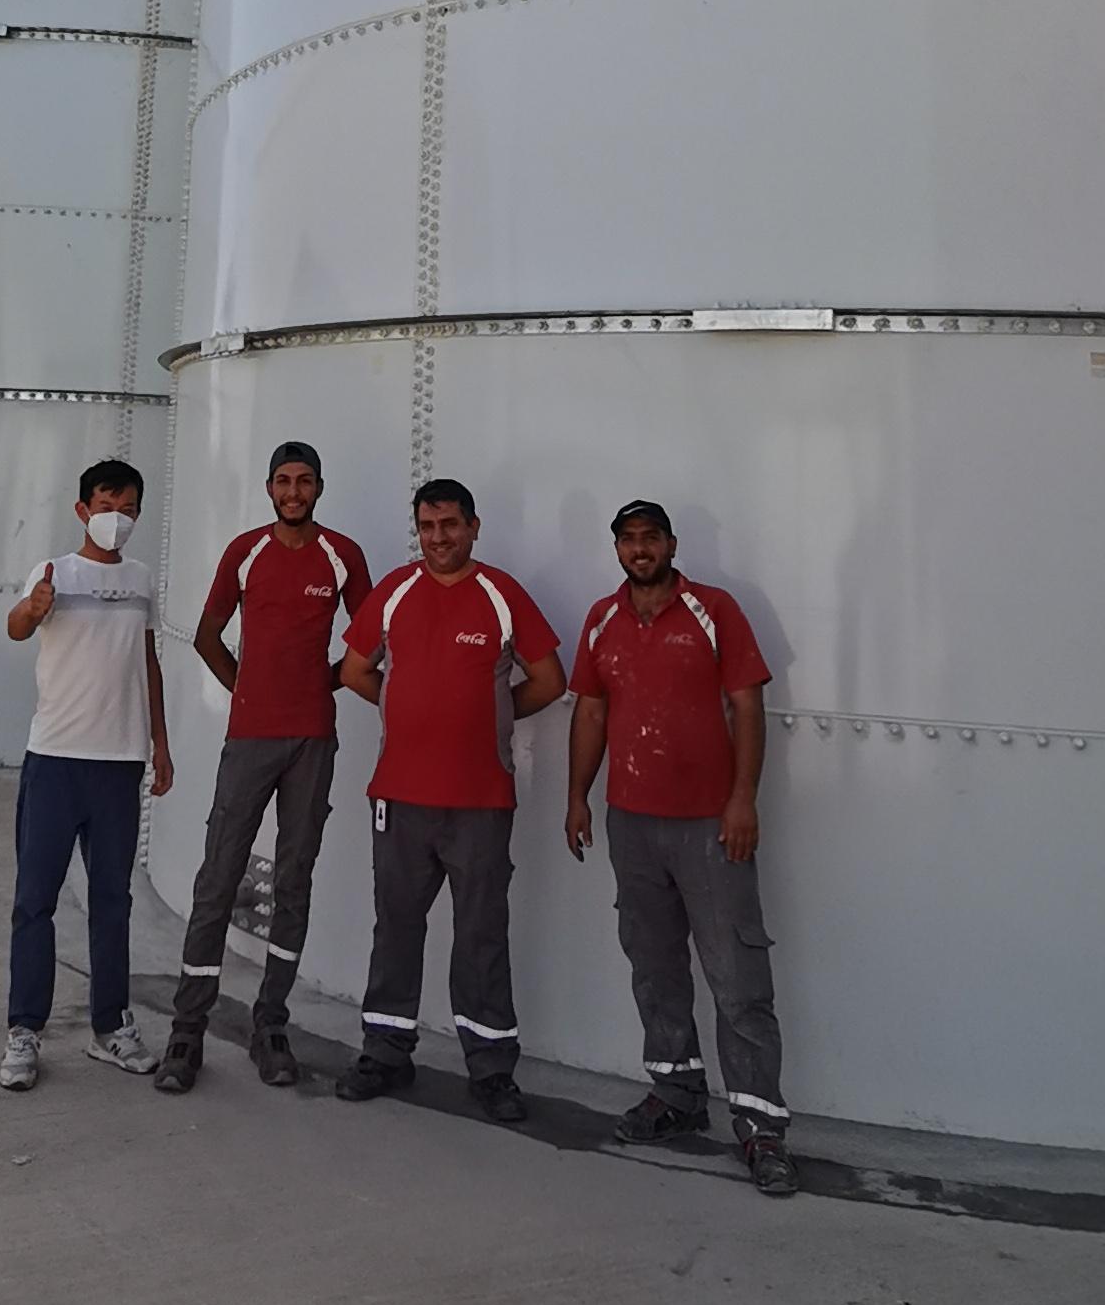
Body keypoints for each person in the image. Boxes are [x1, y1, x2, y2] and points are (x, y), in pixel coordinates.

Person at [565, 498, 796, 1196]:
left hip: (709, 827)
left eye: (651, 538)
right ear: (617, 549)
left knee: (737, 976)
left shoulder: (714, 610)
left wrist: (742, 800)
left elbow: (748, 706)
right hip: (632, 826)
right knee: (654, 966)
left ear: (670, 543)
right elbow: (592, 710)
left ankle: (760, 1127)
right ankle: (676, 1094)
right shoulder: (601, 619)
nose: (640, 550)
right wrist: (578, 796)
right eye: (628, 540)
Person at [332, 478, 564, 1123]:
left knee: (481, 934)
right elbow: (354, 671)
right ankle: (385, 1053)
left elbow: (550, 679)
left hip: (480, 800)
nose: (439, 538)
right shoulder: (395, 591)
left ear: (473, 527)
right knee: (396, 927)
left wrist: (491, 715)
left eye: (451, 525)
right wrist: (405, 707)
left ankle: (491, 1070)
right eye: (428, 526)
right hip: (399, 798)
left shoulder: (501, 594)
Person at [156, 441, 371, 1095]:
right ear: (269, 488)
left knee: (294, 879)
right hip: (250, 739)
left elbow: (371, 640)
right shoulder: (245, 551)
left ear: (319, 487)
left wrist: (325, 681)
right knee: (218, 876)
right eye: (283, 481)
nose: (293, 491)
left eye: (304, 481)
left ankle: (271, 1025)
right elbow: (206, 634)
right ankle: (187, 1030)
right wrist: (246, 689)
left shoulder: (342, 554)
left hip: (313, 741)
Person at [0, 458, 173, 1093]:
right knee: (34, 901)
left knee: (112, 901)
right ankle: (24, 1031)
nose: (116, 518)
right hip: (55, 759)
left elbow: (147, 662)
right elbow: (17, 627)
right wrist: (33, 607)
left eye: (128, 508)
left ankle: (110, 1026)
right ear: (82, 510)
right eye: (105, 505)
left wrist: (160, 743)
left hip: (118, 763)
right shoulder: (53, 572)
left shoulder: (142, 580)